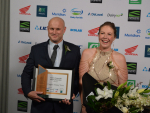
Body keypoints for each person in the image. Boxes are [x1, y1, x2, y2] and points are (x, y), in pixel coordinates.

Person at [21, 17, 81, 113]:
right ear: (47, 29)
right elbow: (26, 73)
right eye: (51, 29)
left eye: (58, 29)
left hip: (63, 107)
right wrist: (28, 92)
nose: (54, 32)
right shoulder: (36, 49)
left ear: (64, 30)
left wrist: (72, 93)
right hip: (40, 106)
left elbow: (77, 76)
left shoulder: (74, 50)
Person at [79, 22, 128, 113]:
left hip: (111, 109)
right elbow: (82, 83)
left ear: (114, 37)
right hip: (89, 107)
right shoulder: (87, 53)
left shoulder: (120, 58)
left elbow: (123, 88)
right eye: (102, 33)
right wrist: (83, 106)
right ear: (98, 35)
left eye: (109, 34)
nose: (105, 37)